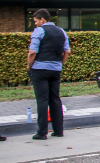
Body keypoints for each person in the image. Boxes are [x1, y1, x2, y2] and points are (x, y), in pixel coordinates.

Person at [27, 9, 70, 140]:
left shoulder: (39, 31)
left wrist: (29, 66)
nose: (35, 24)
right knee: (55, 99)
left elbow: (32, 52)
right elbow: (67, 51)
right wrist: (60, 64)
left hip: (39, 69)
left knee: (42, 100)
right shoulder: (61, 31)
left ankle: (42, 133)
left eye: (36, 21)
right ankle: (58, 131)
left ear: (42, 20)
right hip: (55, 69)